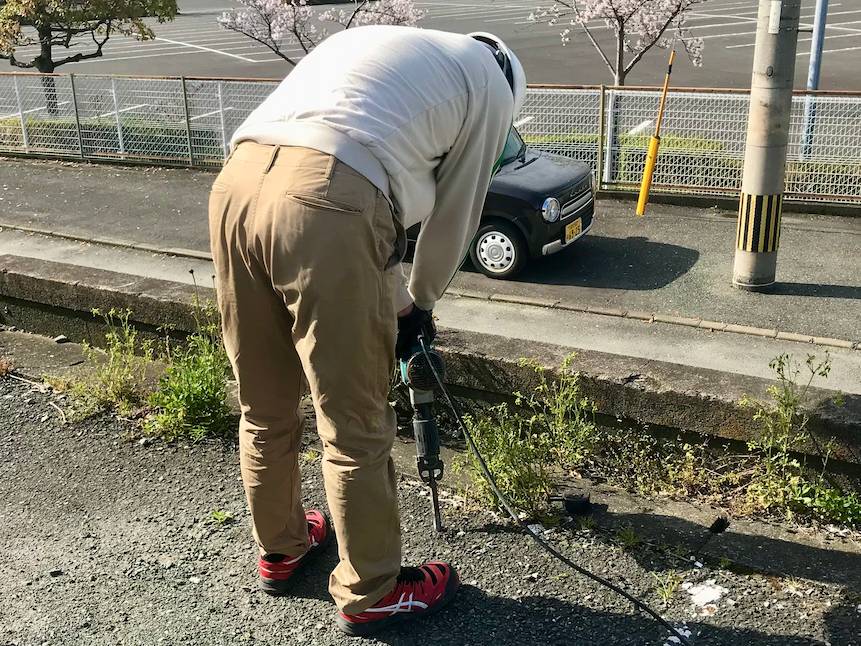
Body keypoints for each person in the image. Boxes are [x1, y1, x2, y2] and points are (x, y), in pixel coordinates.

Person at [208, 25, 525, 636]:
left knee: (265, 402)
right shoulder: (490, 84)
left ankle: (283, 546)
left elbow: (369, 168)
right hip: (328, 196)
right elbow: (455, 215)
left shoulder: (393, 45)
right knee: (353, 420)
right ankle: (372, 588)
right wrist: (423, 305)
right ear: (511, 87)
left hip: (238, 184)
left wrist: (398, 300)